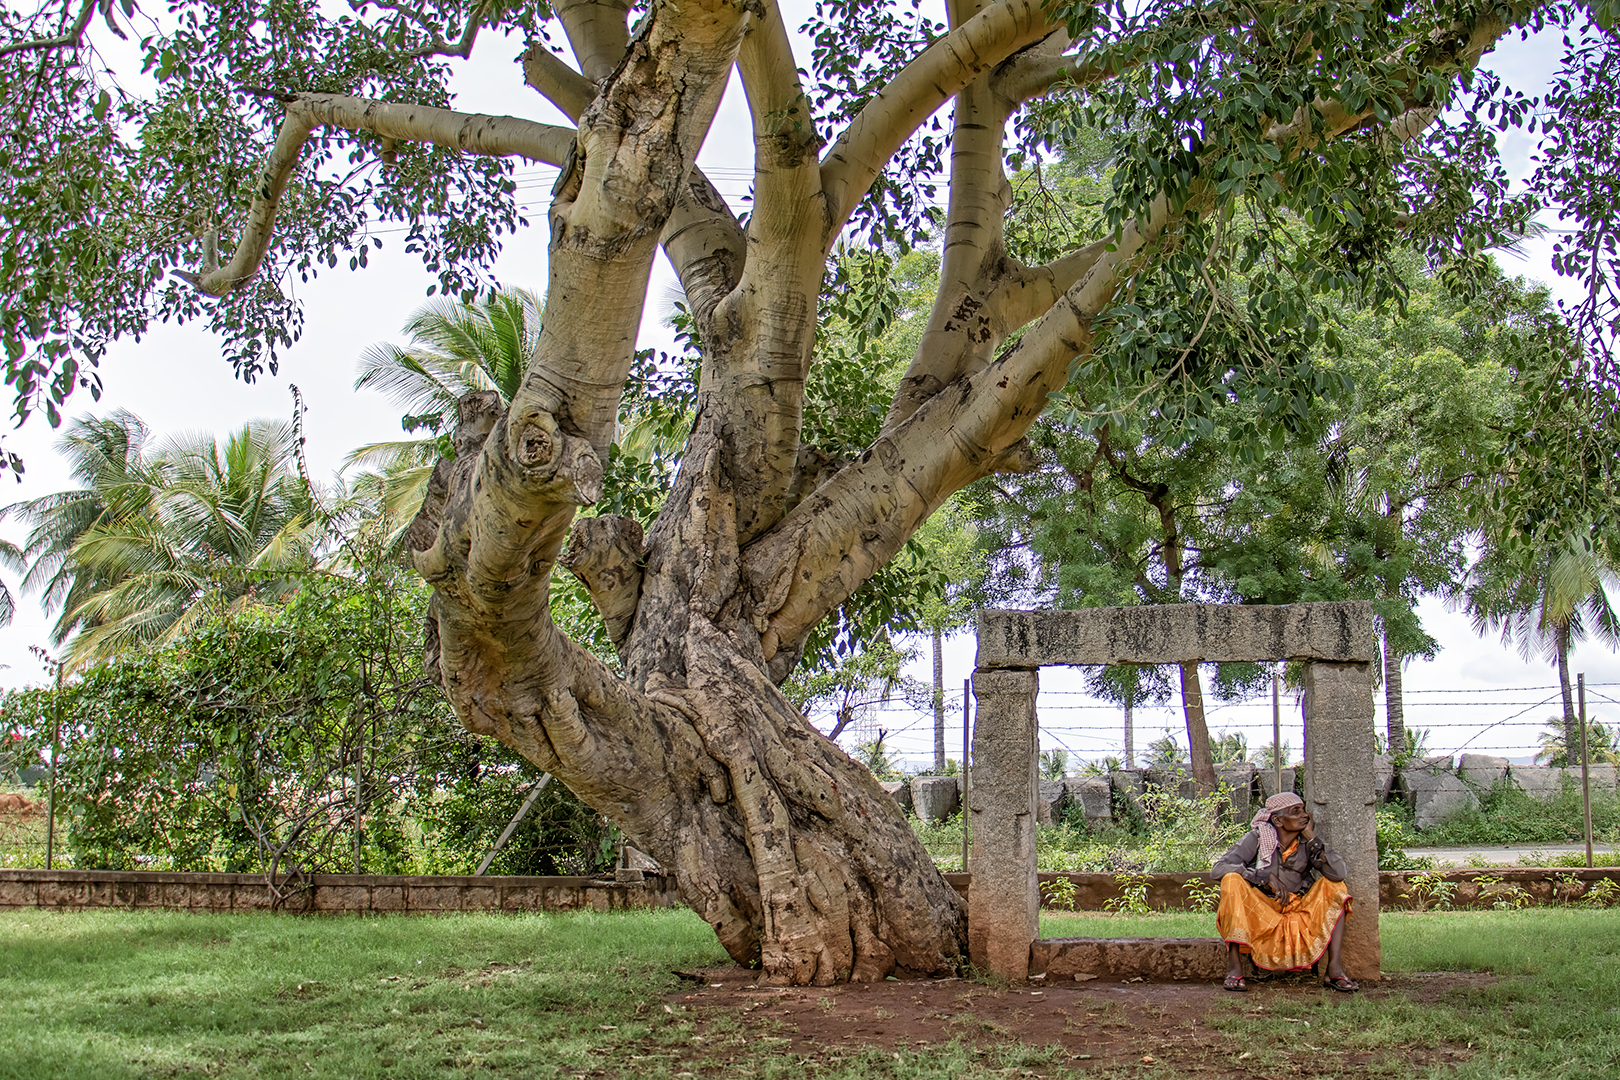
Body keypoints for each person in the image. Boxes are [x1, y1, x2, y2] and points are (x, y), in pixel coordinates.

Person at [1212, 791, 1358, 992]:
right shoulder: (1257, 838)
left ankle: (1334, 969)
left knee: (1335, 886)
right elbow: (1218, 869)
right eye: (1295, 812)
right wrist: (1263, 877)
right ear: (1278, 820)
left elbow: (1338, 873)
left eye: (1304, 811)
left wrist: (1312, 836)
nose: (1304, 816)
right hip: (1263, 912)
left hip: (1298, 911)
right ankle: (1235, 966)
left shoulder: (1308, 843)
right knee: (1231, 880)